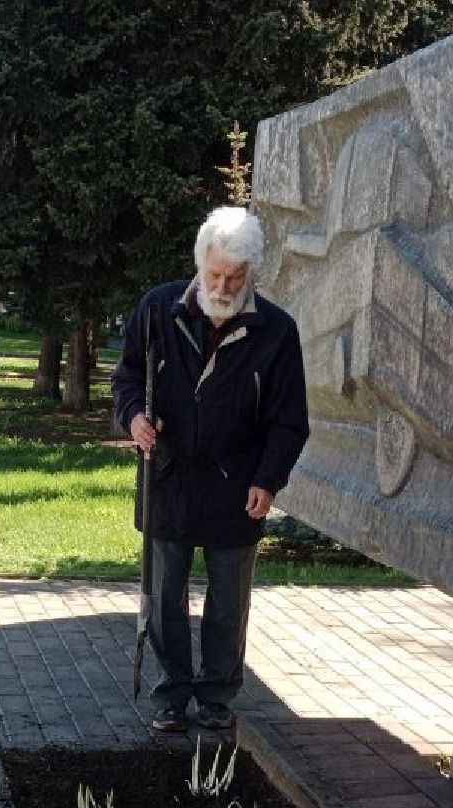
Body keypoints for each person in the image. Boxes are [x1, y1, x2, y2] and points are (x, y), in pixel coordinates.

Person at [111, 206, 311, 734]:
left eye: (235, 278)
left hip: (237, 485)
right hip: (169, 478)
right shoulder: (158, 310)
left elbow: (290, 422)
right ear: (200, 264)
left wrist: (268, 479)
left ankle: (218, 695)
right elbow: (127, 377)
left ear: (252, 274)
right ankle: (172, 694)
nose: (222, 288)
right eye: (214, 275)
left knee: (227, 603)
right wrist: (134, 418)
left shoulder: (276, 331)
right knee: (164, 599)